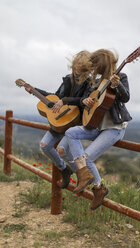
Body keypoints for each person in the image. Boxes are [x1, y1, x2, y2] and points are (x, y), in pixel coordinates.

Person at [64, 49, 132, 210]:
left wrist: (118, 86)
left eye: (95, 65)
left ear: (103, 64)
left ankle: (98, 188)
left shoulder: (120, 77)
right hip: (97, 126)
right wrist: (87, 100)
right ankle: (83, 173)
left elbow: (126, 97)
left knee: (88, 158)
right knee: (70, 133)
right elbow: (90, 98)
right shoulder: (98, 81)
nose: (93, 69)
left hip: (114, 127)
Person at [25, 50, 95, 188]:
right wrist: (34, 90)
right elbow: (55, 97)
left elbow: (85, 100)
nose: (77, 72)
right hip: (60, 120)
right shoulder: (68, 79)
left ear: (87, 70)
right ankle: (65, 169)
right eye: (76, 68)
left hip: (75, 121)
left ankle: (84, 176)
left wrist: (66, 100)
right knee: (44, 146)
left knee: (62, 150)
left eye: (81, 70)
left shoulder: (90, 83)